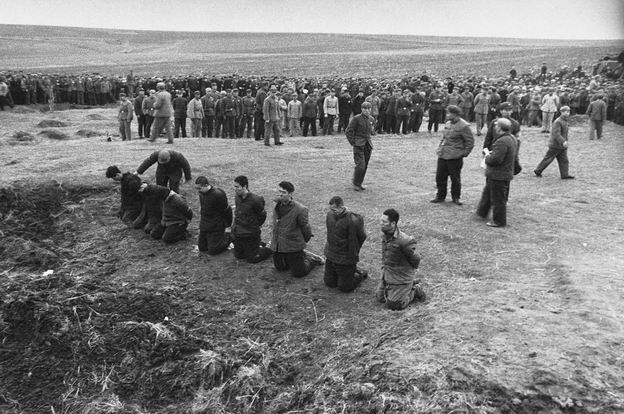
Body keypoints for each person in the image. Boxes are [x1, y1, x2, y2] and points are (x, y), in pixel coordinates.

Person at [270, 181, 324, 278]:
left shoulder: (300, 209)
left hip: (293, 245)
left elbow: (305, 228)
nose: (280, 194)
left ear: (290, 194)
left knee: (299, 273)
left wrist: (302, 241)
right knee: (280, 268)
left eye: (283, 192)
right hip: (279, 244)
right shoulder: (277, 205)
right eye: (279, 191)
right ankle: (301, 255)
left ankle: (312, 259)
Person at [376, 208, 425, 310]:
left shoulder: (404, 241)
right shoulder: (384, 234)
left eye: (384, 222)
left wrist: (406, 273)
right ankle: (408, 285)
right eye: (381, 221)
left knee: (395, 305)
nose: (381, 224)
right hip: (388, 274)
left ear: (393, 223)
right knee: (380, 298)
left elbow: (416, 259)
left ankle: (415, 290)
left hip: (401, 277)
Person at [476, 118, 519, 228]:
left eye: (496, 126)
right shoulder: (512, 138)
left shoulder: (502, 141)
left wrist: (487, 156)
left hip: (498, 175)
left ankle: (499, 221)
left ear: (499, 128)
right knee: (488, 193)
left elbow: (495, 160)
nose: (495, 127)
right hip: (502, 173)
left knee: (498, 199)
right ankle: (482, 212)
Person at [430, 105, 475, 205]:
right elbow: (444, 137)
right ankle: (440, 196)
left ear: (455, 114)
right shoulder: (448, 123)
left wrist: (464, 153)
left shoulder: (464, 126)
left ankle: (456, 197)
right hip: (443, 154)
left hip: (455, 156)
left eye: (449, 113)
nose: (447, 115)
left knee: (455, 178)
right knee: (440, 177)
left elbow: (470, 142)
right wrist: (440, 147)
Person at [323, 196, 368, 292]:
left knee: (344, 287)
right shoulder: (329, 215)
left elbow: (362, 236)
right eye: (331, 209)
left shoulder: (354, 219)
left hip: (345, 257)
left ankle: (359, 273)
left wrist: (353, 249)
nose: (333, 212)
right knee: (329, 283)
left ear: (341, 206)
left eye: (335, 209)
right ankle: (348, 272)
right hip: (331, 255)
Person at [231, 175, 273, 263]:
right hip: (238, 233)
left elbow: (262, 216)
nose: (235, 189)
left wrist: (254, 226)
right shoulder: (237, 197)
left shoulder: (256, 200)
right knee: (239, 256)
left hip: (250, 234)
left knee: (252, 259)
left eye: (237, 187)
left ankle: (269, 248)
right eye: (234, 186)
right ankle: (259, 245)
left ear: (245, 186)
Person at [534, 106, 575, 179]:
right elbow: (556, 134)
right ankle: (538, 170)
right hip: (555, 145)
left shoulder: (564, 121)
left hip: (561, 146)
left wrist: (564, 142)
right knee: (548, 159)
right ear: (561, 112)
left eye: (568, 112)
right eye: (566, 112)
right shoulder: (558, 122)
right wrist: (563, 142)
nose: (567, 113)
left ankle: (564, 175)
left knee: (564, 161)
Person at [196, 176, 232, 255]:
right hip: (205, 224)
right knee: (202, 248)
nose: (198, 190)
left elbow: (227, 211)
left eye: (199, 188)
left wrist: (228, 226)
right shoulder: (201, 194)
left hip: (216, 225)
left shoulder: (218, 194)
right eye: (197, 188)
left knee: (213, 251)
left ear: (206, 185)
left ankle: (229, 238)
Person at [346, 101, 374, 192]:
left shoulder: (371, 119)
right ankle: (355, 183)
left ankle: (359, 183)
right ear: (361, 109)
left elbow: (371, 131)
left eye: (369, 108)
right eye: (365, 109)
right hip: (359, 145)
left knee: (365, 165)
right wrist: (353, 142)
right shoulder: (356, 118)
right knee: (360, 165)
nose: (367, 110)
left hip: (367, 145)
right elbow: (348, 131)